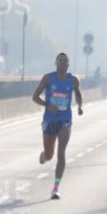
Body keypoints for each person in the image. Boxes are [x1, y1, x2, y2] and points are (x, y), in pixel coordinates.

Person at [33, 53, 83, 200]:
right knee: (50, 155)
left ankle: (56, 188)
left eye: (65, 61)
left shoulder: (73, 80)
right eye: (60, 60)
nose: (62, 63)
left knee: (61, 153)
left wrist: (80, 106)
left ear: (68, 64)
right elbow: (35, 97)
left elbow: (78, 94)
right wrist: (48, 105)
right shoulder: (48, 78)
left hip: (65, 119)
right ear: (55, 63)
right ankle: (45, 155)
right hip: (50, 119)